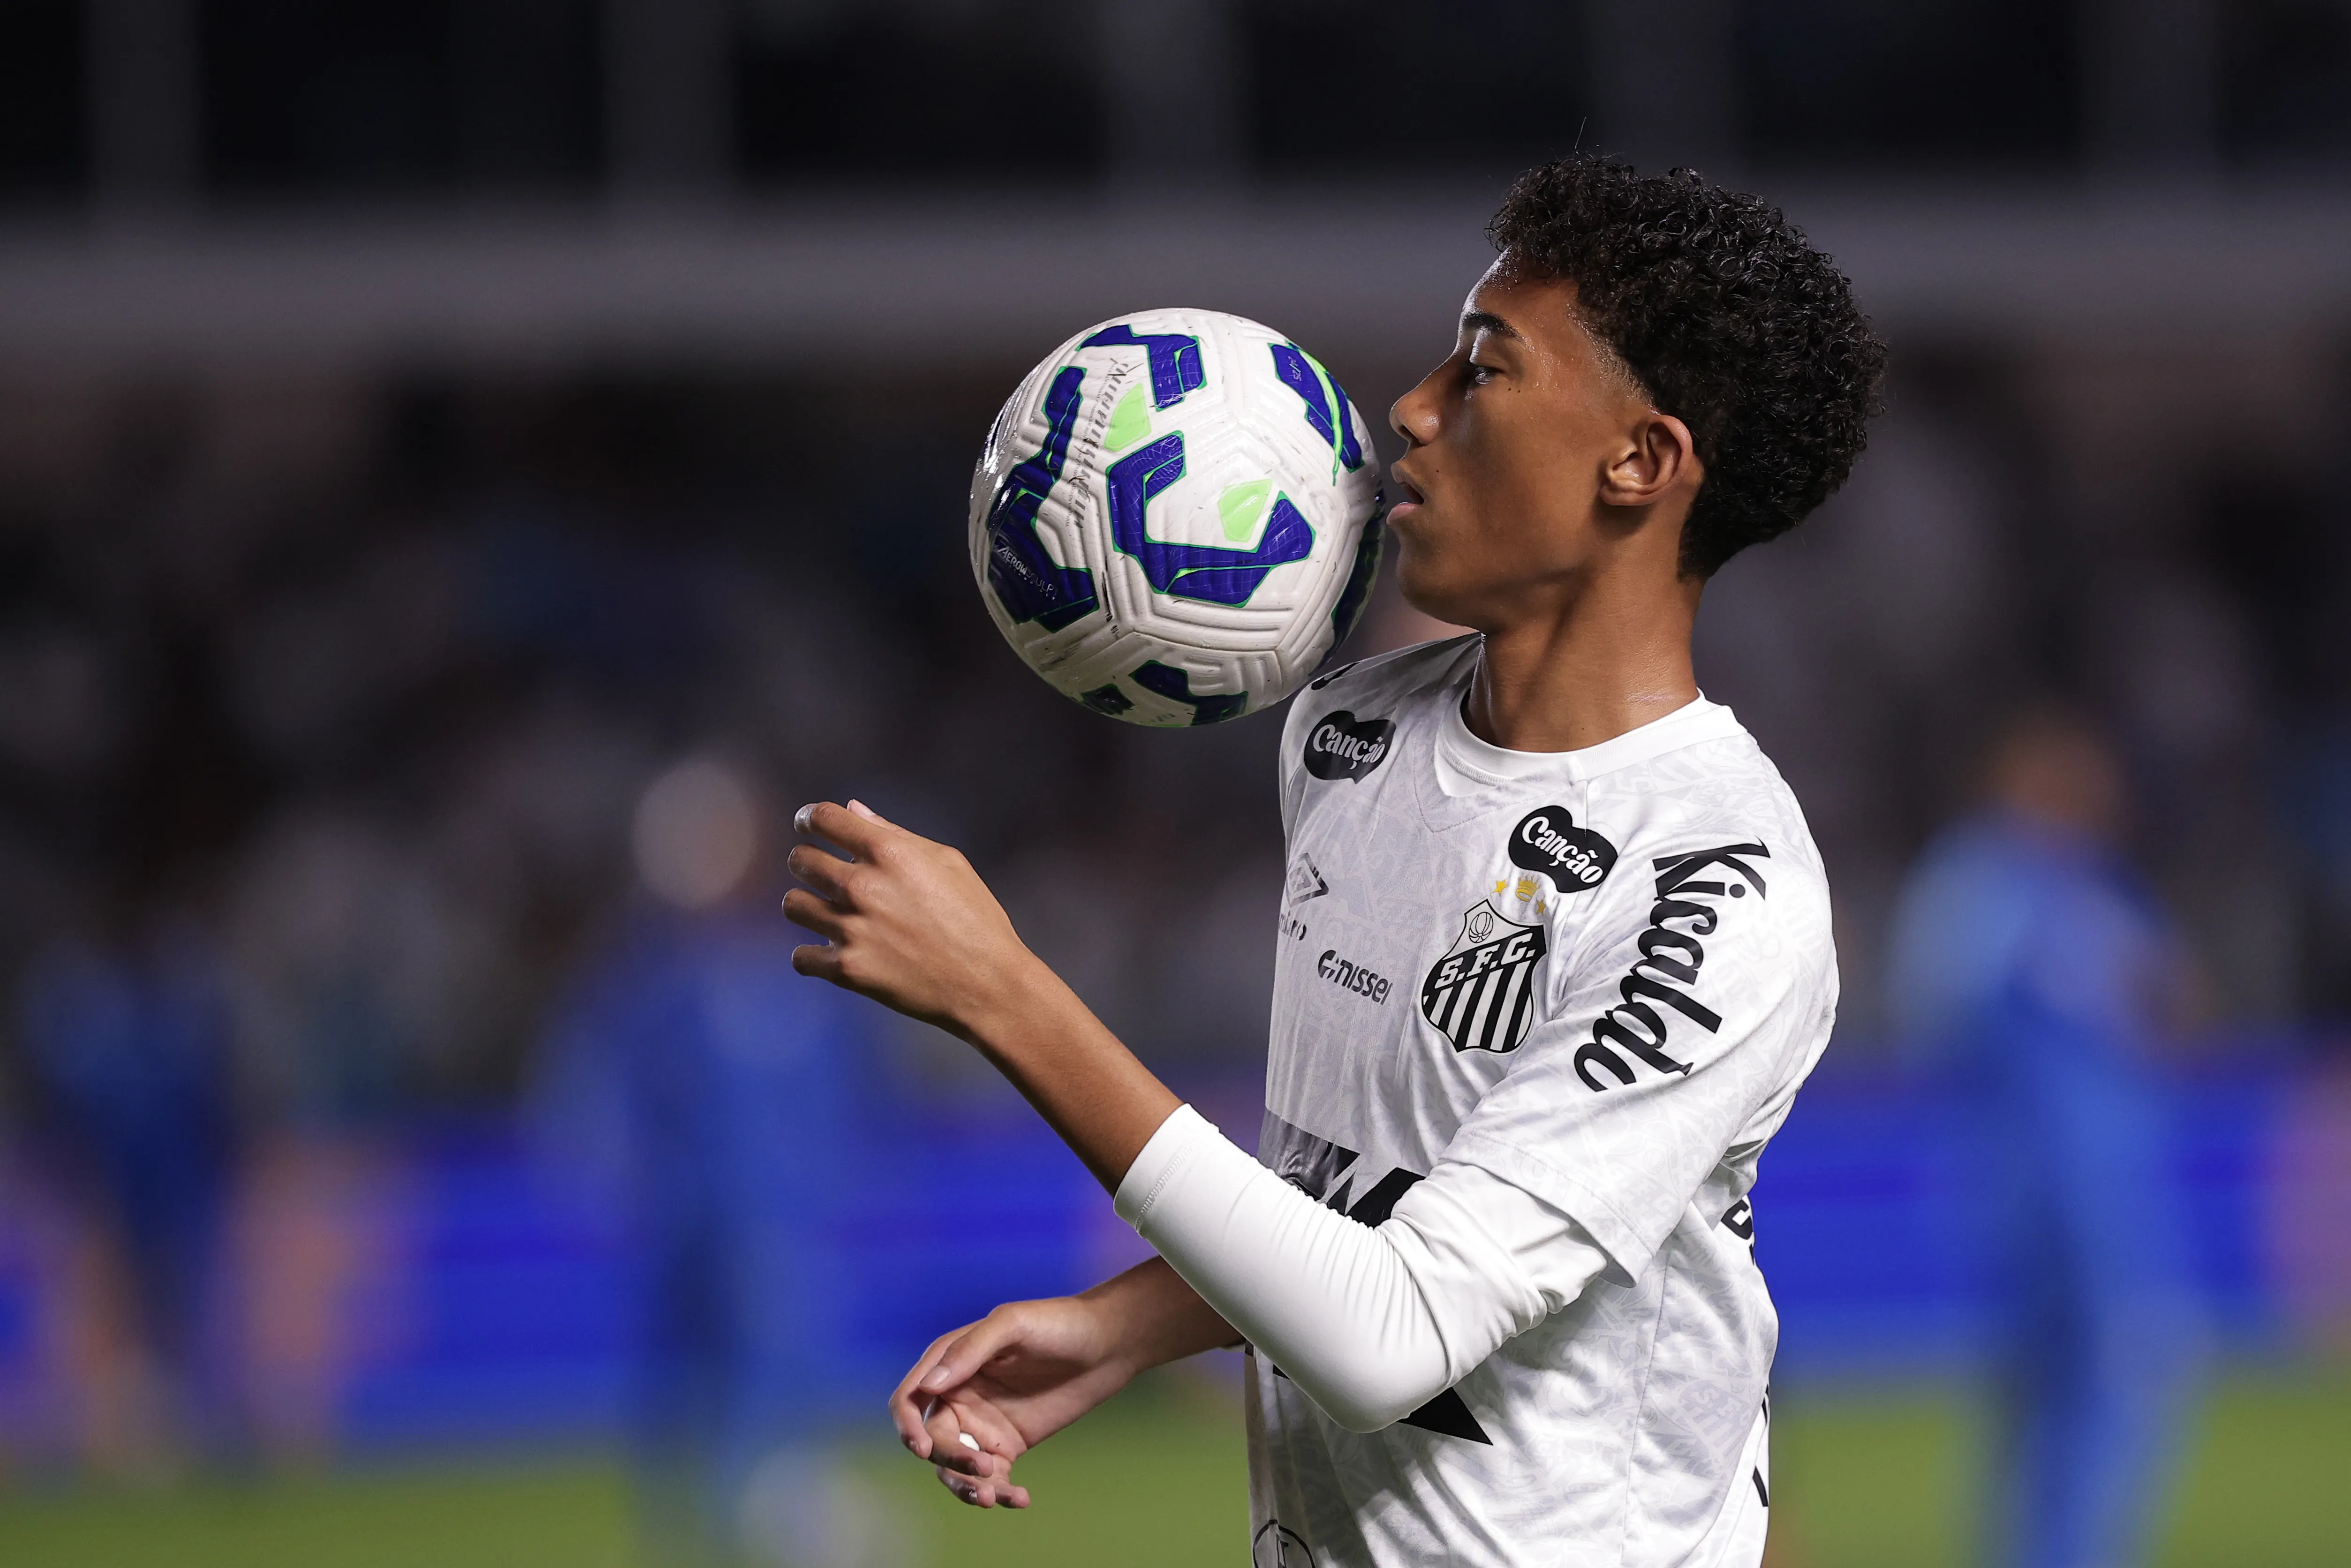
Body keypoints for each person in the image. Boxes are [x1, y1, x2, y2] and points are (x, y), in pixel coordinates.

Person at [785, 155, 1884, 1568]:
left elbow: (1396, 1335)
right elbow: (1369, 1198)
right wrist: (1126, 1325)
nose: (1411, 409)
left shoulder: (1720, 889)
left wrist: (1004, 994)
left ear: (1640, 462)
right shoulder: (1348, 733)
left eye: (1482, 368)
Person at [537, 755, 886, 1567]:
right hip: (681, 1220)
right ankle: (697, 1532)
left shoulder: (797, 963)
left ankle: (766, 1525)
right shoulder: (642, 976)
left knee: (769, 1386)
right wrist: (614, 1180)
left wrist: (831, 1177)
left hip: (770, 1220)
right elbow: (594, 1090)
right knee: (676, 1392)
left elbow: (843, 1092)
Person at [1886, 709, 2202, 1568]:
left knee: (2092, 1387)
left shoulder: (2095, 887)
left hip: (2099, 1185)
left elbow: (2169, 1008)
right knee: (2082, 1385)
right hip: (2039, 1189)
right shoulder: (1983, 881)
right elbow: (1938, 1016)